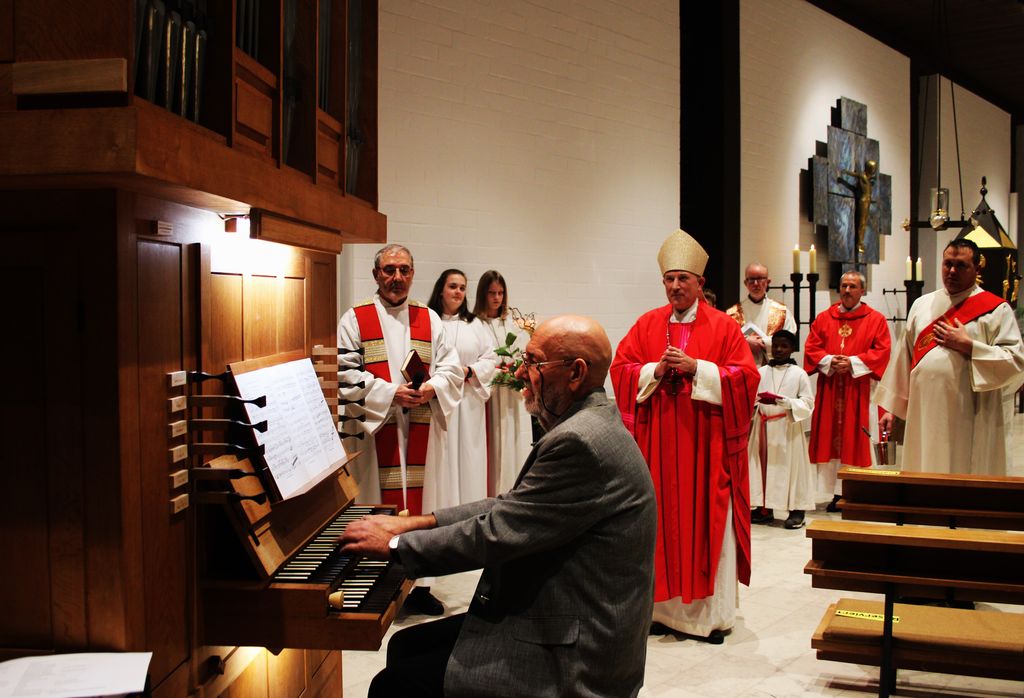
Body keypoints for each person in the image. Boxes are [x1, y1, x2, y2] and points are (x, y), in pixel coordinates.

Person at [340, 315, 657, 698]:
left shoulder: (581, 442)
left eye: (534, 363)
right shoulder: (589, 421)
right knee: (406, 645)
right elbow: (509, 506)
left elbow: (497, 532)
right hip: (566, 615)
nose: (520, 373)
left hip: (578, 653)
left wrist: (394, 546)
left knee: (392, 686)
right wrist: (413, 524)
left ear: (575, 373)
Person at [611, 228, 759, 643]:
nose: (675, 286)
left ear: (699, 282)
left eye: (683, 279)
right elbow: (620, 369)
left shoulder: (724, 327)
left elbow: (746, 378)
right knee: (659, 523)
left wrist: (699, 370)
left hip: (704, 446)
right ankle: (661, 612)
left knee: (708, 521)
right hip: (658, 445)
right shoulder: (647, 324)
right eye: (669, 279)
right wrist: (654, 370)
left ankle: (708, 619)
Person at [336, 243, 463, 615]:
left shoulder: (429, 318)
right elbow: (345, 374)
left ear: (412, 274)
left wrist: (432, 388)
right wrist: (390, 393)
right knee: (377, 503)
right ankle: (375, 581)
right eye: (389, 270)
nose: (397, 277)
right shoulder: (356, 318)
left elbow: (452, 368)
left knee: (425, 503)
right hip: (377, 431)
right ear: (376, 274)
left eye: (404, 270)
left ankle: (419, 586)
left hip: (421, 428)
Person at [877, 239, 1024, 475]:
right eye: (948, 264)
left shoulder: (996, 310)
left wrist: (969, 346)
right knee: (925, 467)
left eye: (961, 265)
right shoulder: (922, 305)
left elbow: (1015, 359)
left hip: (969, 412)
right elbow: (904, 357)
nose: (952, 271)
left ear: (977, 268)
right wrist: (891, 410)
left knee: (961, 469)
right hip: (924, 410)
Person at [804, 270, 891, 510]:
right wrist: (830, 361)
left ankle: (860, 488)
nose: (847, 291)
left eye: (853, 286)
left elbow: (882, 351)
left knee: (858, 439)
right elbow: (812, 348)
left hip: (860, 390)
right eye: (844, 286)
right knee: (832, 438)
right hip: (832, 388)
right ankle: (836, 493)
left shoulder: (876, 320)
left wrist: (852, 363)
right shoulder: (824, 318)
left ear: (862, 290)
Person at [426, 269, 497, 506]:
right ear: (441, 290)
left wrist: (469, 371)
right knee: (442, 456)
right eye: (453, 286)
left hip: (469, 399)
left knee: (469, 455)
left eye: (462, 288)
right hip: (439, 398)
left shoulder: (475, 324)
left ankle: (470, 508)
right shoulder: (429, 321)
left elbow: (490, 358)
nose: (458, 292)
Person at [473, 269, 533, 495]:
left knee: (514, 440)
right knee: (496, 442)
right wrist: (497, 369)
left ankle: (515, 489)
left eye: (500, 293)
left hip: (512, 392)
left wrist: (517, 367)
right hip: (492, 392)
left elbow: (521, 353)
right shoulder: (476, 323)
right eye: (492, 293)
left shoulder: (511, 324)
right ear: (483, 294)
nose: (497, 298)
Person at [748, 330, 815, 529]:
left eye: (784, 346)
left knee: (791, 469)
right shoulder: (761, 372)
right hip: (762, 425)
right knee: (762, 467)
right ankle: (764, 509)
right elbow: (750, 397)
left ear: (792, 348)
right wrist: (756, 401)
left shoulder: (799, 373)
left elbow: (808, 403)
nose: (778, 349)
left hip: (787, 428)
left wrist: (785, 402)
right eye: (775, 345)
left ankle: (797, 510)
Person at [726, 262, 797, 365]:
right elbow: (726, 341)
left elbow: (789, 339)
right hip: (743, 368)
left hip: (773, 368)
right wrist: (745, 342)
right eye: (751, 279)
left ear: (768, 281)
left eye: (760, 279)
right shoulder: (732, 313)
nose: (755, 283)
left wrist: (763, 343)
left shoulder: (782, 311)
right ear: (745, 283)